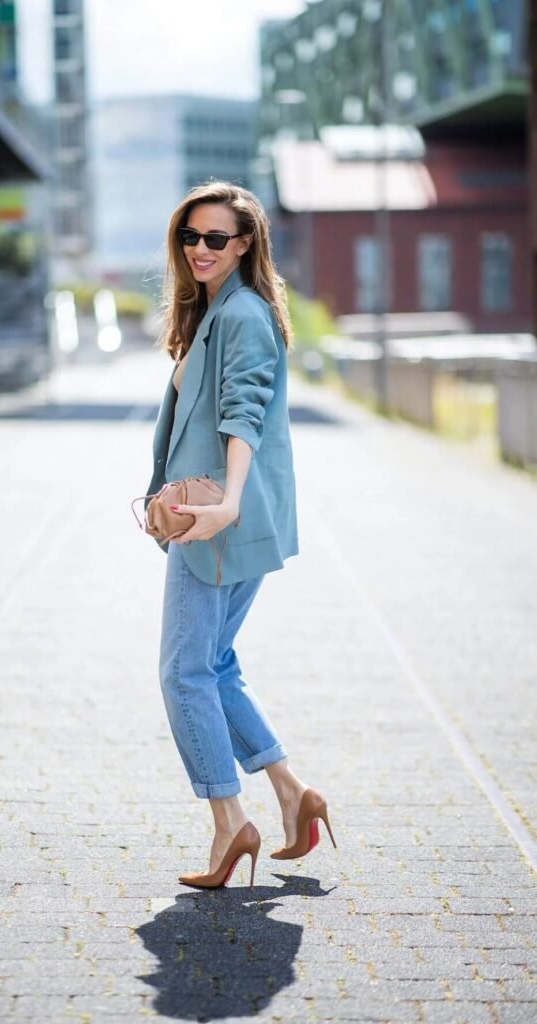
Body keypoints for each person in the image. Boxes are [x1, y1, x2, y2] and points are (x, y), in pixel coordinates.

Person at [144, 181, 336, 890]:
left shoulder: (243, 316)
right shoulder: (215, 312)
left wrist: (223, 501)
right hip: (223, 514)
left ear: (246, 242)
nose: (199, 249)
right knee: (214, 663)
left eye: (215, 239)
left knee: (183, 672)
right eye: (190, 237)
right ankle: (291, 793)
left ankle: (230, 823)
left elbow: (242, 410)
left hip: (218, 520)